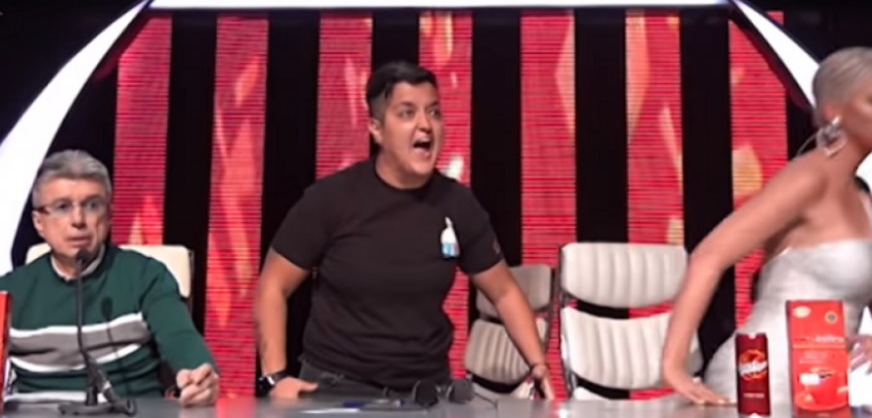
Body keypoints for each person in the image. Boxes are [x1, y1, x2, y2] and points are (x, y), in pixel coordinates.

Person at [255, 61, 554, 400]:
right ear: (377, 129)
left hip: (425, 391)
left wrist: (538, 365)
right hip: (336, 388)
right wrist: (275, 378)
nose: (425, 125)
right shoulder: (331, 199)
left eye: (434, 112)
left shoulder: (458, 204)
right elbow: (273, 285)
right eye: (407, 113)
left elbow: (504, 293)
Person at [662, 47, 872, 407]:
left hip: (820, 390)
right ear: (833, 110)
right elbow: (709, 256)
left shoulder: (862, 195)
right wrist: (674, 367)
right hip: (761, 385)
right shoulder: (806, 179)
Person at [0, 150, 219, 406]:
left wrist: (199, 379)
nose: (78, 220)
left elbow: (181, 339)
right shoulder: (10, 290)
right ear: (39, 222)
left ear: (109, 215)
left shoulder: (146, 277)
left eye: (92, 205)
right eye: (62, 207)